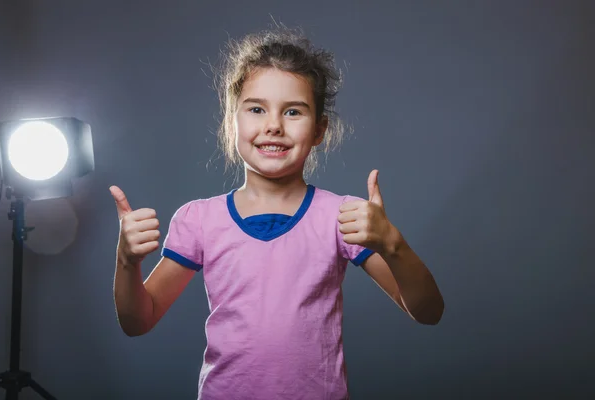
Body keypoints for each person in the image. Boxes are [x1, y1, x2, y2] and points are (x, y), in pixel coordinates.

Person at [111, 26, 444, 400]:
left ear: (319, 130)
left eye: (293, 111)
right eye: (256, 109)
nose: (273, 125)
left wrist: (393, 244)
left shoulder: (342, 216)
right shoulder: (198, 220)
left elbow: (428, 311)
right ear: (232, 121)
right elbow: (138, 321)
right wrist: (126, 262)